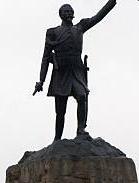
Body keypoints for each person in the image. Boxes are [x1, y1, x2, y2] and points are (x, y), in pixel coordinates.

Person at [34, 1, 117, 141]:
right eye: (66, 12)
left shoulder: (80, 27)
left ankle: (81, 129)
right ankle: (57, 138)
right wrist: (41, 80)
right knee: (61, 109)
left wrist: (113, 1)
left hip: (77, 70)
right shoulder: (52, 32)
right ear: (60, 15)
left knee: (82, 96)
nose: (69, 14)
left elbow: (98, 17)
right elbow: (45, 57)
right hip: (61, 72)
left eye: (71, 11)